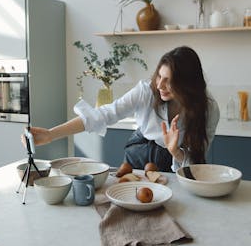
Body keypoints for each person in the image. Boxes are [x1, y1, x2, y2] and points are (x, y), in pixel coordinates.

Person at [21, 46, 220, 172]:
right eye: (159, 76)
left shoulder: (208, 110)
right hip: (140, 151)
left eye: (169, 81)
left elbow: (196, 163)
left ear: (187, 83)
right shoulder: (146, 91)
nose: (159, 85)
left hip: (174, 162)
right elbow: (103, 114)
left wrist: (175, 150)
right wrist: (51, 134)